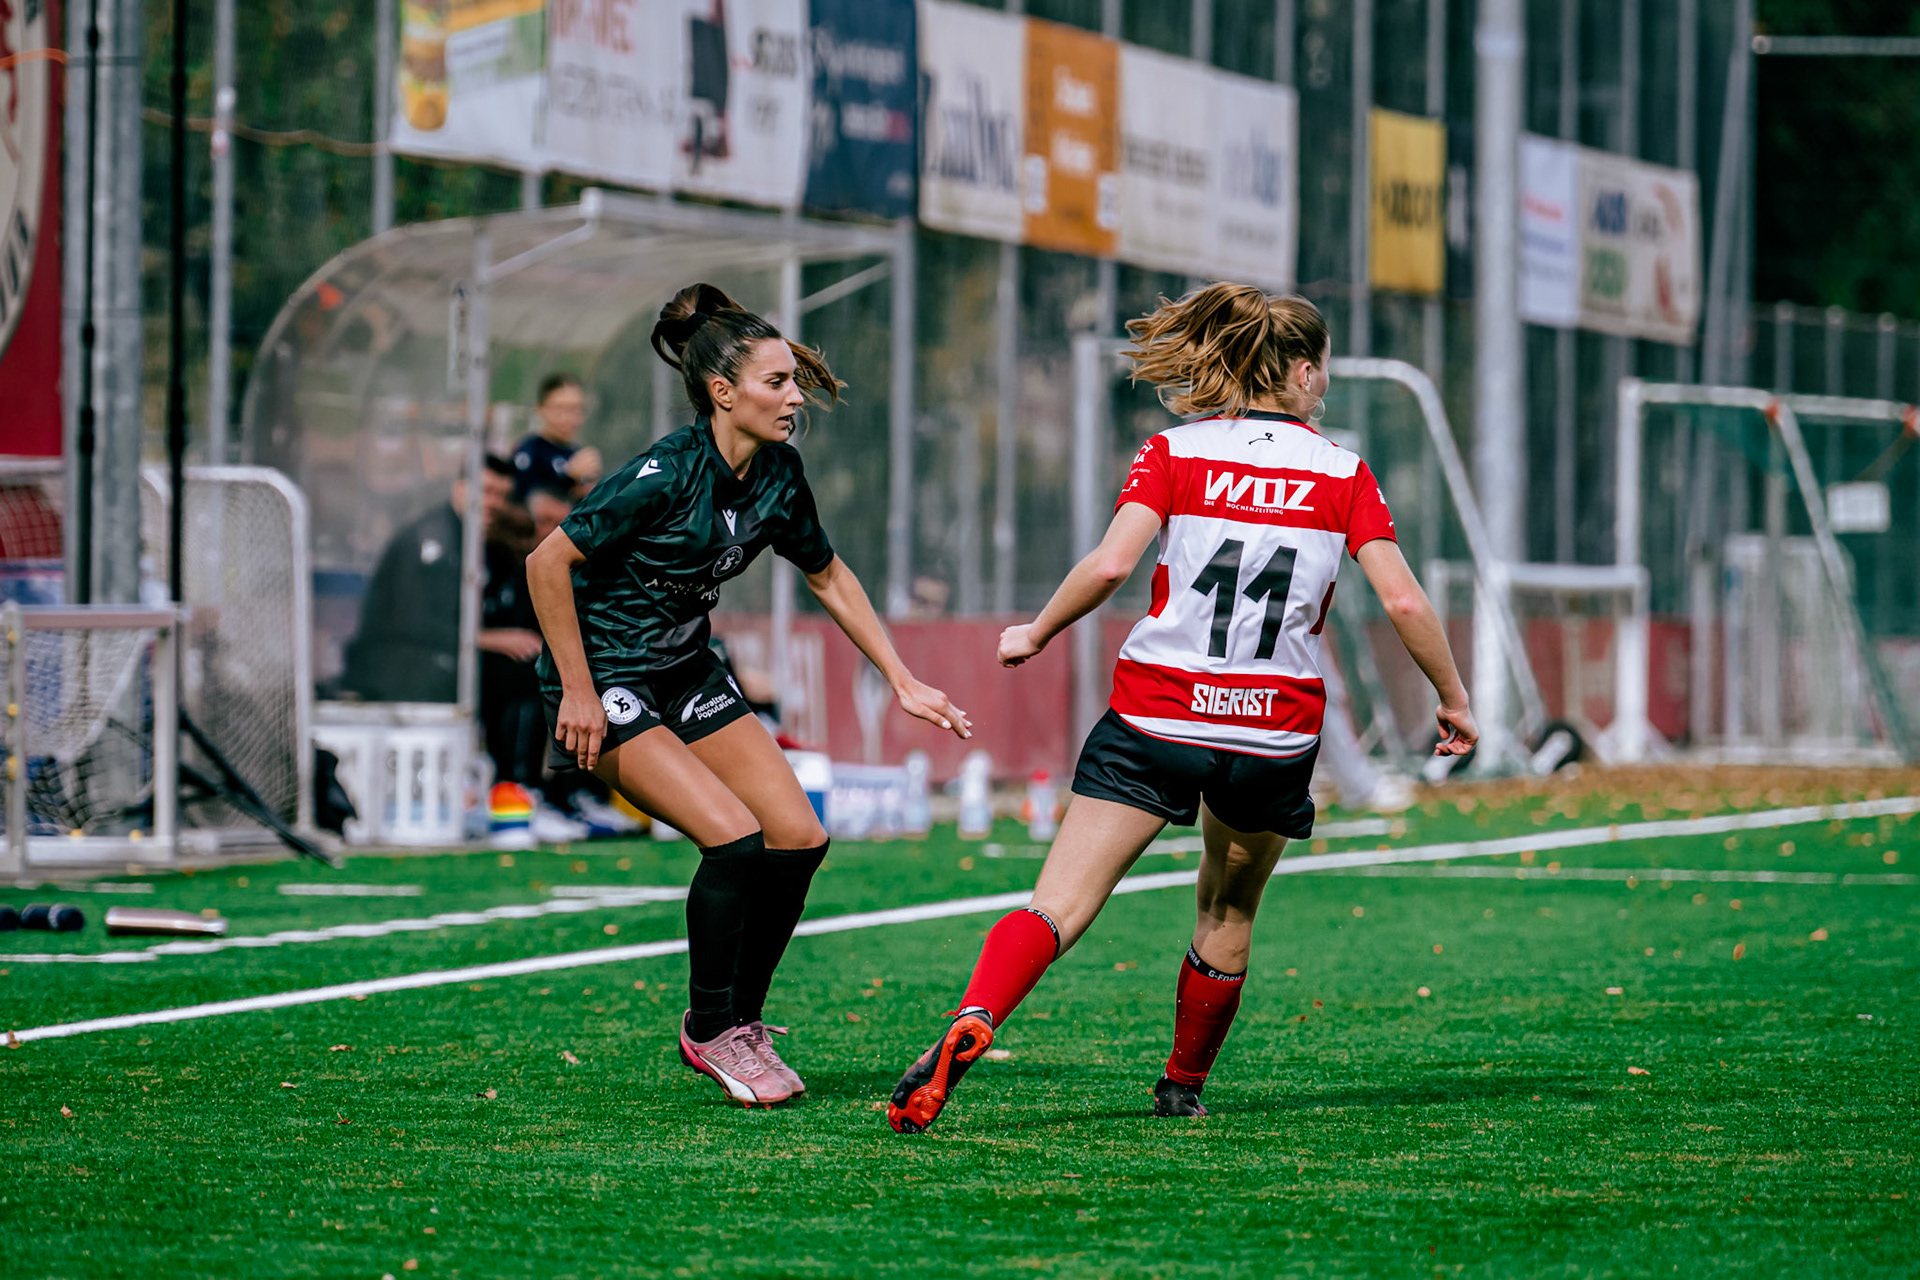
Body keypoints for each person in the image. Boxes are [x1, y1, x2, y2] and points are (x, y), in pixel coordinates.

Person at [885, 284, 1478, 1133]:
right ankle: (1180, 1085)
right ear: (1305, 374)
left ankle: (975, 1016)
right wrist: (1452, 700)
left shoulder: (1174, 449)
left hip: (1156, 716)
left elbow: (1106, 566)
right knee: (1226, 911)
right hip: (1270, 731)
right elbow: (1408, 605)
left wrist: (1037, 631)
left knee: (1056, 903)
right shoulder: (1343, 472)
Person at [525, 282, 971, 1108]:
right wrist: (580, 693)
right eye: (778, 382)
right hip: (608, 675)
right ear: (722, 393)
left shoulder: (779, 476)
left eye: (796, 380)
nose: (796, 396)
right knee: (732, 840)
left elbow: (828, 575)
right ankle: (709, 1027)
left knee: (798, 837)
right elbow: (546, 561)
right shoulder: (665, 473)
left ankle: (745, 1026)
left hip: (687, 668)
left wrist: (902, 680)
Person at [341, 455, 516, 703]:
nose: (495, 503)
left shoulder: (477, 541)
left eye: (503, 496)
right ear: (460, 487)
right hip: (394, 667)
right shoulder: (432, 540)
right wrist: (487, 639)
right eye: (487, 491)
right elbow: (413, 622)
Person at [512, 373, 604, 502]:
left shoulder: (576, 453)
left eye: (575, 409)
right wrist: (568, 478)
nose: (567, 418)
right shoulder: (530, 452)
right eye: (559, 409)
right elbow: (523, 500)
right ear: (540, 410)